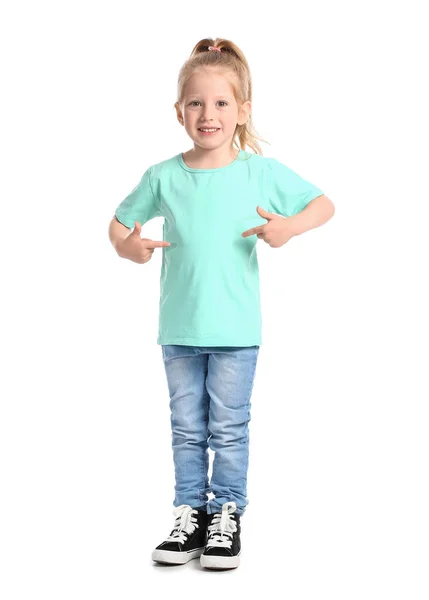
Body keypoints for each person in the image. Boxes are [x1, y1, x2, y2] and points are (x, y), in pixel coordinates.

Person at [108, 37, 335, 571]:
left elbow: (323, 205)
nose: (207, 114)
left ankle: (227, 512)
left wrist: (288, 228)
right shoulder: (163, 175)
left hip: (235, 330)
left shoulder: (259, 172)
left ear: (243, 110)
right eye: (195, 103)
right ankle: (190, 514)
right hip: (179, 329)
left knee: (229, 427)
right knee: (186, 427)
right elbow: (120, 223)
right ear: (178, 110)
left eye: (221, 103)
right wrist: (130, 247)